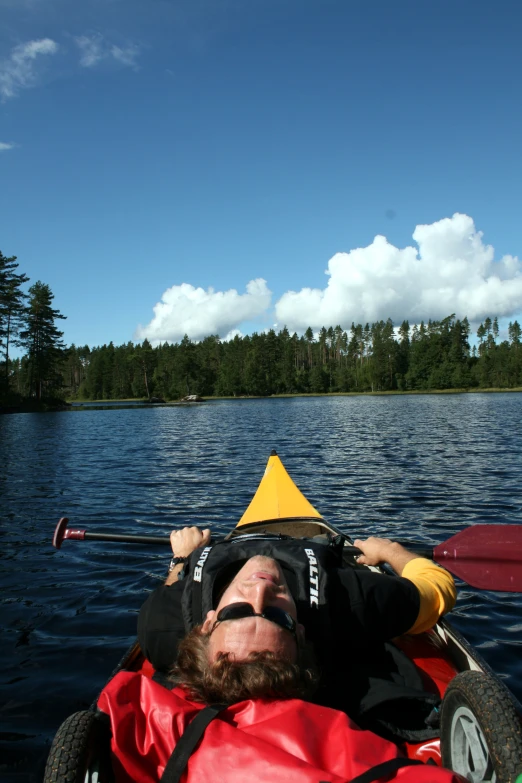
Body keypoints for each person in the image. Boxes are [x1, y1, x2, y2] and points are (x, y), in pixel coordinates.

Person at [97, 526, 462, 783]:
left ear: (207, 624)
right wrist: (391, 552)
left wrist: (180, 557)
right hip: (311, 550)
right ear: (300, 631)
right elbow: (438, 588)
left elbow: (174, 583)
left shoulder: (163, 625)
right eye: (275, 616)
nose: (260, 592)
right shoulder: (350, 600)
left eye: (238, 612)